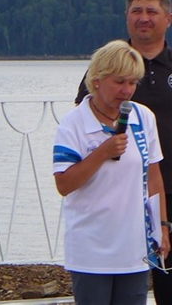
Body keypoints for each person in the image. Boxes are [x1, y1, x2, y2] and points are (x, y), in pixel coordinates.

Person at [74, 0, 172, 301]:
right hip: (124, 195)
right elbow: (83, 117)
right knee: (129, 282)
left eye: (151, 11)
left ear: (168, 19)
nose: (143, 18)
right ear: (126, 17)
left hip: (166, 186)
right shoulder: (107, 66)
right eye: (136, 11)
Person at [58, 40, 169, 305]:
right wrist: (102, 153)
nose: (127, 90)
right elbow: (64, 184)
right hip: (91, 250)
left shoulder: (143, 116)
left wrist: (162, 227)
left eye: (132, 83)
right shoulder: (73, 123)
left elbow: (154, 176)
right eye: (119, 82)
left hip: (134, 249)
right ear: (97, 80)